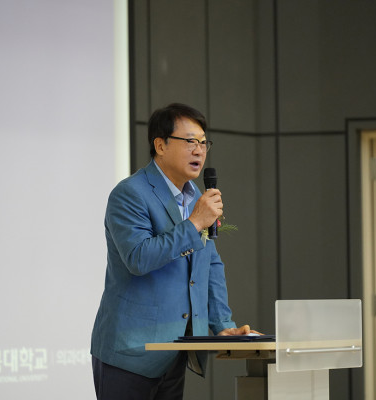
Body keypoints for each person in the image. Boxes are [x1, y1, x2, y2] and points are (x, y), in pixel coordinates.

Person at [90, 103, 256, 400]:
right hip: (130, 353)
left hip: (173, 351)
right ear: (160, 145)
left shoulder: (195, 199)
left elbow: (210, 265)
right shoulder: (130, 194)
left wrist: (222, 325)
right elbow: (138, 258)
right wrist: (194, 224)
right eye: (190, 141)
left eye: (204, 143)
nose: (199, 150)